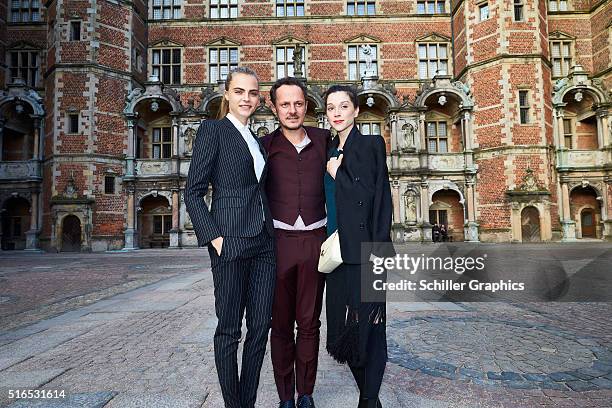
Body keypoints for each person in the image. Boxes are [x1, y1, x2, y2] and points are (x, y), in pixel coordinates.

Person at [185, 67, 275, 408]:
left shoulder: (257, 139)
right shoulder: (213, 130)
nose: (246, 99)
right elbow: (193, 192)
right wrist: (215, 239)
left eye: (252, 93)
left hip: (265, 243)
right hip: (231, 239)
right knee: (229, 330)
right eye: (239, 92)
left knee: (259, 328)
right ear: (227, 94)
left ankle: (247, 401)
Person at [261, 77, 330, 408]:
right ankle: (285, 396)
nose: (292, 110)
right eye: (285, 104)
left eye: (298, 103)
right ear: (274, 107)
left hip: (316, 241)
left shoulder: (325, 141)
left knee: (310, 323)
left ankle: (306, 393)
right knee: (280, 325)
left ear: (307, 106)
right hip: (277, 243)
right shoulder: (264, 146)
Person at [324, 85, 393, 408]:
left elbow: (368, 199)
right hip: (335, 253)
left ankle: (368, 400)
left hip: (369, 250)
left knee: (371, 329)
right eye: (330, 108)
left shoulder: (370, 144)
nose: (336, 113)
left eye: (343, 106)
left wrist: (340, 174)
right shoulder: (326, 149)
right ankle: (370, 399)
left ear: (355, 111)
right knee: (343, 332)